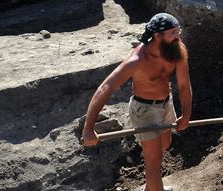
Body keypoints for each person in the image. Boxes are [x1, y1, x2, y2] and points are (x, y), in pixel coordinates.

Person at [82, 13, 192, 191]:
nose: (178, 36)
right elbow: (106, 87)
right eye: (173, 33)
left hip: (166, 103)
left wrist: (186, 116)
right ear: (157, 36)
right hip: (144, 110)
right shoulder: (138, 60)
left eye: (178, 31)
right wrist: (88, 129)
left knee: (165, 145)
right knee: (154, 162)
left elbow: (184, 85)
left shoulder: (177, 49)